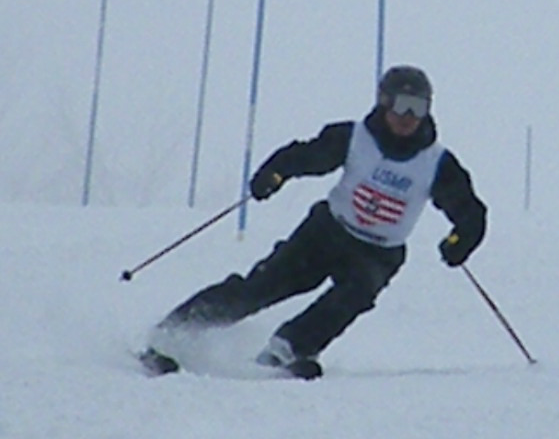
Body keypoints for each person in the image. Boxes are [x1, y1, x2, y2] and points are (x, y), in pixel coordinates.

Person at [141, 65, 487, 379]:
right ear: (384, 102)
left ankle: (288, 349)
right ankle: (173, 331)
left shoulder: (437, 163)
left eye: (418, 107)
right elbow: (307, 156)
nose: (409, 116)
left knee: (355, 294)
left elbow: (469, 212)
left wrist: (460, 241)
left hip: (378, 253)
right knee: (263, 286)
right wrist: (275, 173)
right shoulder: (354, 138)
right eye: (402, 105)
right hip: (326, 234)